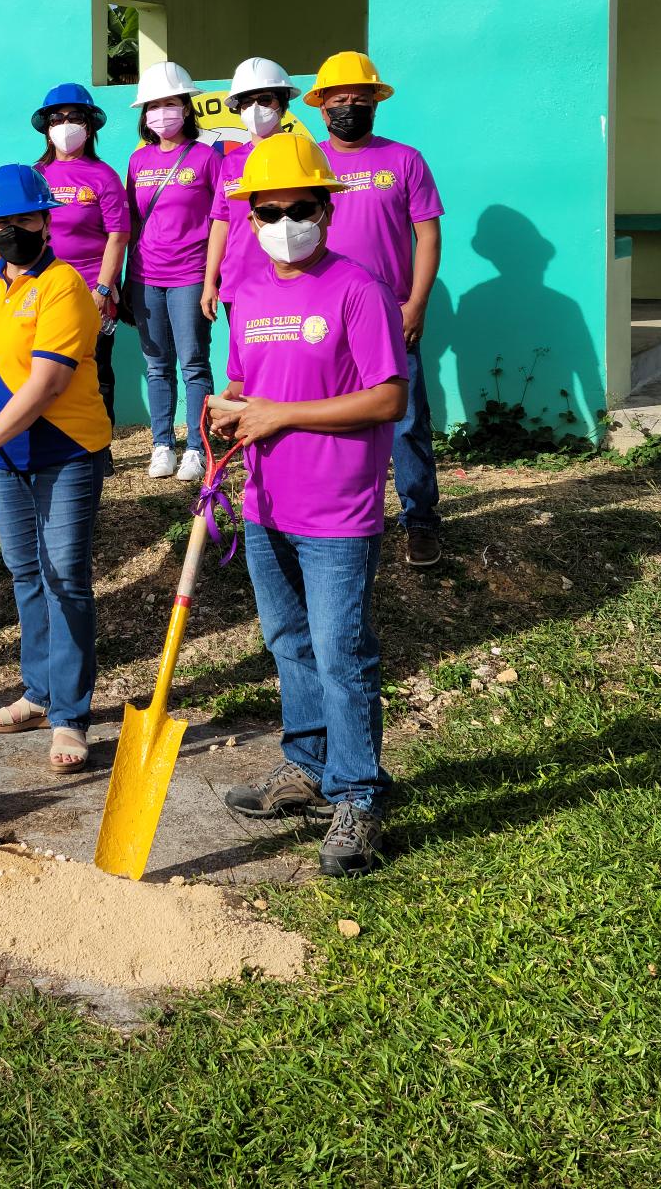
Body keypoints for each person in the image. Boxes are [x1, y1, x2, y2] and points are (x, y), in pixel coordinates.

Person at [210, 131, 408, 878]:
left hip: (336, 508)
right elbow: (244, 387)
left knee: (341, 653)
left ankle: (357, 794)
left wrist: (282, 415)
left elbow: (389, 397)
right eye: (269, 211)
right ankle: (307, 767)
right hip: (264, 500)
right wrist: (225, 410)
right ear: (250, 217)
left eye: (300, 208)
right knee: (288, 643)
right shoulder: (250, 291)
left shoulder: (359, 289)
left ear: (326, 212)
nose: (284, 223)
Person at [0, 166, 111, 775]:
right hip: (10, 455)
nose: (11, 230)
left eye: (25, 219)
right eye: (0, 222)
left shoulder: (65, 286)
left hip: (62, 450)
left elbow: (46, 384)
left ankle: (70, 715)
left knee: (65, 576)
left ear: (45, 220)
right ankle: (38, 693)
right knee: (25, 572)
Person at [306, 50, 447, 568]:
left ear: (376, 104)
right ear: (321, 108)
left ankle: (421, 520)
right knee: (333, 421)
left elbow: (428, 235)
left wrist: (417, 303)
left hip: (392, 314)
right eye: (339, 100)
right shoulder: (311, 163)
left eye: (359, 99)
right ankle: (343, 515)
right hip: (324, 317)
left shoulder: (404, 160)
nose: (349, 107)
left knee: (407, 420)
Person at [124, 61, 221, 483]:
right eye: (153, 106)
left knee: (194, 363)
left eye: (170, 104)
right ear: (144, 116)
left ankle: (197, 447)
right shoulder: (138, 159)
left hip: (190, 275)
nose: (162, 113)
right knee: (156, 364)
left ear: (186, 107)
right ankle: (162, 443)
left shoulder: (206, 157)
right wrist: (127, 280)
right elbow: (129, 223)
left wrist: (212, 279)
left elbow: (222, 217)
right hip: (146, 276)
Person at [31, 82, 131, 431]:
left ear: (89, 127)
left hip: (92, 290)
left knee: (96, 369)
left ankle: (99, 447)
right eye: (56, 118)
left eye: (75, 117)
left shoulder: (103, 176)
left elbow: (118, 235)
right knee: (45, 368)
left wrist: (103, 291)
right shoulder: (36, 176)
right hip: (44, 291)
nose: (65, 125)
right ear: (46, 129)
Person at [200, 55, 299, 323]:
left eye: (265, 99)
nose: (256, 108)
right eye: (246, 102)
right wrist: (210, 282)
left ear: (283, 104)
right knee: (246, 364)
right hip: (239, 283)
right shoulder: (231, 161)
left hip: (293, 278)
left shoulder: (300, 153)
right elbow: (221, 223)